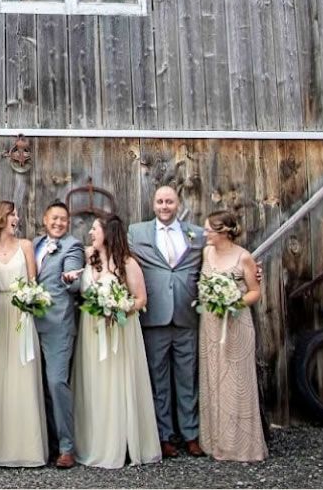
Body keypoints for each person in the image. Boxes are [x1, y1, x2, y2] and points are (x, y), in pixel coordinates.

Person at [73, 214, 162, 469]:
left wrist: (117, 307)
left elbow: (141, 299)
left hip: (119, 331)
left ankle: (120, 443)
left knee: (116, 383)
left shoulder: (127, 263)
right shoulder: (88, 256)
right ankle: (94, 442)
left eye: (95, 229)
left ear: (108, 233)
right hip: (91, 330)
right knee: (93, 383)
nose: (91, 233)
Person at [128, 185, 204, 457]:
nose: (164, 206)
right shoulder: (137, 232)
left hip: (186, 315)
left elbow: (215, 261)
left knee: (187, 378)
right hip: (155, 316)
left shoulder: (197, 234)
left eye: (169, 201)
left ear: (177, 204)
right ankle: (164, 436)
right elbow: (121, 260)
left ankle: (191, 434)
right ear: (153, 204)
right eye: (160, 201)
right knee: (158, 380)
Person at [0, 201, 47, 467]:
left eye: (16, 214)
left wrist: (30, 300)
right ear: (0, 218)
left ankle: (26, 447)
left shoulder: (26, 246)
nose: (17, 218)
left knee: (22, 376)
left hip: (21, 316)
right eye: (12, 214)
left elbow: (33, 283)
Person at [197, 210, 267, 462]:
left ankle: (241, 445)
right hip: (210, 324)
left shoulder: (243, 257)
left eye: (209, 230)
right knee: (213, 378)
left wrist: (232, 302)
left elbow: (254, 291)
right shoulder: (206, 253)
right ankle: (216, 442)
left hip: (236, 323)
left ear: (224, 232)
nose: (205, 233)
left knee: (236, 382)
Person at [30, 202, 85, 468]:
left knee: (56, 383)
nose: (59, 223)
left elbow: (74, 281)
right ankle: (48, 443)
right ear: (45, 219)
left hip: (58, 324)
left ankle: (66, 447)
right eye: (54, 218)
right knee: (36, 386)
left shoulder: (72, 246)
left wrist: (69, 279)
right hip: (30, 323)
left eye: (63, 219)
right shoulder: (34, 243)